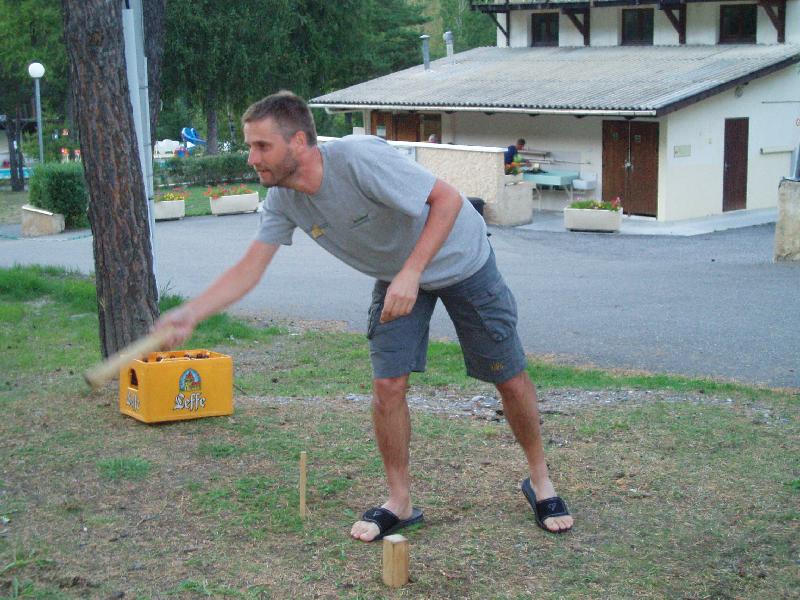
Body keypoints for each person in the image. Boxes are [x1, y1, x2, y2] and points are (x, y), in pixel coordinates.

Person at [154, 91, 573, 541]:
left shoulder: (357, 159)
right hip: (396, 276)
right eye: (250, 146)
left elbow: (449, 201)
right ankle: (400, 501)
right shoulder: (283, 199)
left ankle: (540, 480)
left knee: (508, 377)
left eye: (262, 146)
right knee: (387, 384)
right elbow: (249, 268)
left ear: (298, 142)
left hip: (460, 259)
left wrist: (412, 273)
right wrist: (191, 313)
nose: (252, 157)